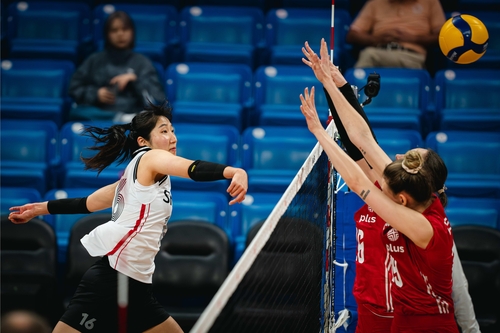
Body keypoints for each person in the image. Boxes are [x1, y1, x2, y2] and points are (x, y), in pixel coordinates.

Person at [8, 101, 248, 333]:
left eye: (173, 130)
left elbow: (88, 203)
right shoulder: (150, 157)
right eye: (164, 131)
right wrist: (234, 171)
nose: (173, 137)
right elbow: (193, 168)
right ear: (144, 141)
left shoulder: (131, 179)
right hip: (112, 280)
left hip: (137, 284)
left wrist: (41, 208)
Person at [302, 42, 481, 333]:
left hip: (429, 327)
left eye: (409, 158)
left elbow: (359, 182)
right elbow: (362, 139)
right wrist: (329, 83)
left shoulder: (423, 226)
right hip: (401, 321)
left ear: (401, 197)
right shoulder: (417, 193)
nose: (397, 157)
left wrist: (320, 134)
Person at [68, 11, 166, 122]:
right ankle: (119, 119)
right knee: (76, 112)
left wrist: (134, 79)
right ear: (107, 34)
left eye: (125, 29)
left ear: (132, 32)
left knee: (151, 117)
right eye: (114, 30)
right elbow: (74, 88)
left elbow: (156, 100)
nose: (120, 34)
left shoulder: (142, 62)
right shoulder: (94, 60)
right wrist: (95, 94)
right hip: (98, 113)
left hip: (133, 112)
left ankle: (126, 119)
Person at [345, 0, 446, 69]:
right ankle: (351, 99)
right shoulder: (375, 3)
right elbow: (352, 35)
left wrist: (414, 38)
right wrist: (376, 39)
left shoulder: (430, 2)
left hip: (412, 57)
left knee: (368, 54)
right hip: (379, 51)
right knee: (368, 55)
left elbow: (442, 37)